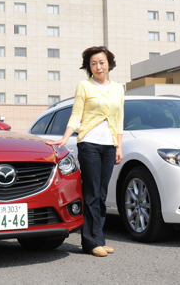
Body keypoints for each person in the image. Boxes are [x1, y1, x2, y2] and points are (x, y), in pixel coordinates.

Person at [47, 46, 124, 257]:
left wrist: (119, 146)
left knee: (101, 194)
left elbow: (119, 119)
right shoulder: (84, 86)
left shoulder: (118, 88)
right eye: (93, 63)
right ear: (89, 67)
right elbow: (76, 114)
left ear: (109, 63)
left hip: (109, 146)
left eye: (101, 62)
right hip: (89, 143)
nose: (98, 66)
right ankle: (90, 242)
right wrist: (66, 136)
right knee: (91, 193)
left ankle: (99, 238)